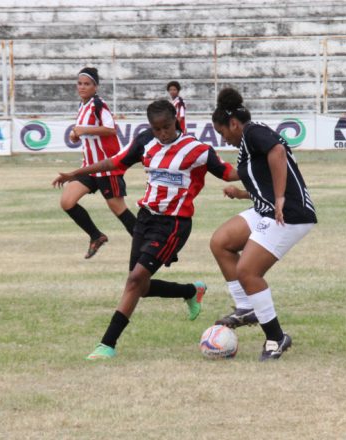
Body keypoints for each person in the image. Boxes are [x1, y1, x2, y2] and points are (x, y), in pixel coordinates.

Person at [53, 99, 239, 359]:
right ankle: (190, 291)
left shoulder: (197, 150)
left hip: (174, 224)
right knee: (139, 286)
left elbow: (229, 173)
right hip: (145, 219)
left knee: (133, 281)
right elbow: (114, 163)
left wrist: (261, 164)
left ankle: (107, 344)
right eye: (156, 129)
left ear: (176, 119)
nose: (162, 134)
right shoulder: (144, 141)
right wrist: (76, 173)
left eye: (166, 127)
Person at [209, 88, 317, 361]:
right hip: (266, 208)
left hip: (289, 212)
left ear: (234, 124)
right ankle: (246, 307)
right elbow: (261, 178)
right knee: (221, 242)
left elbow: (278, 152)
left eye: (224, 133)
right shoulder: (246, 144)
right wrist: (243, 193)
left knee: (248, 271)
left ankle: (276, 338)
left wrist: (280, 198)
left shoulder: (253, 131)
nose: (225, 139)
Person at [60, 67, 137, 259]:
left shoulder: (98, 105)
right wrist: (77, 135)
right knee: (67, 202)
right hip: (90, 167)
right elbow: (85, 133)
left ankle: (145, 245)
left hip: (106, 166)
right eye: (80, 83)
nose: (82, 87)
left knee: (118, 208)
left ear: (96, 87)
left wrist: (83, 129)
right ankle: (96, 236)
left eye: (87, 84)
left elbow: (110, 129)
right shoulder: (83, 106)